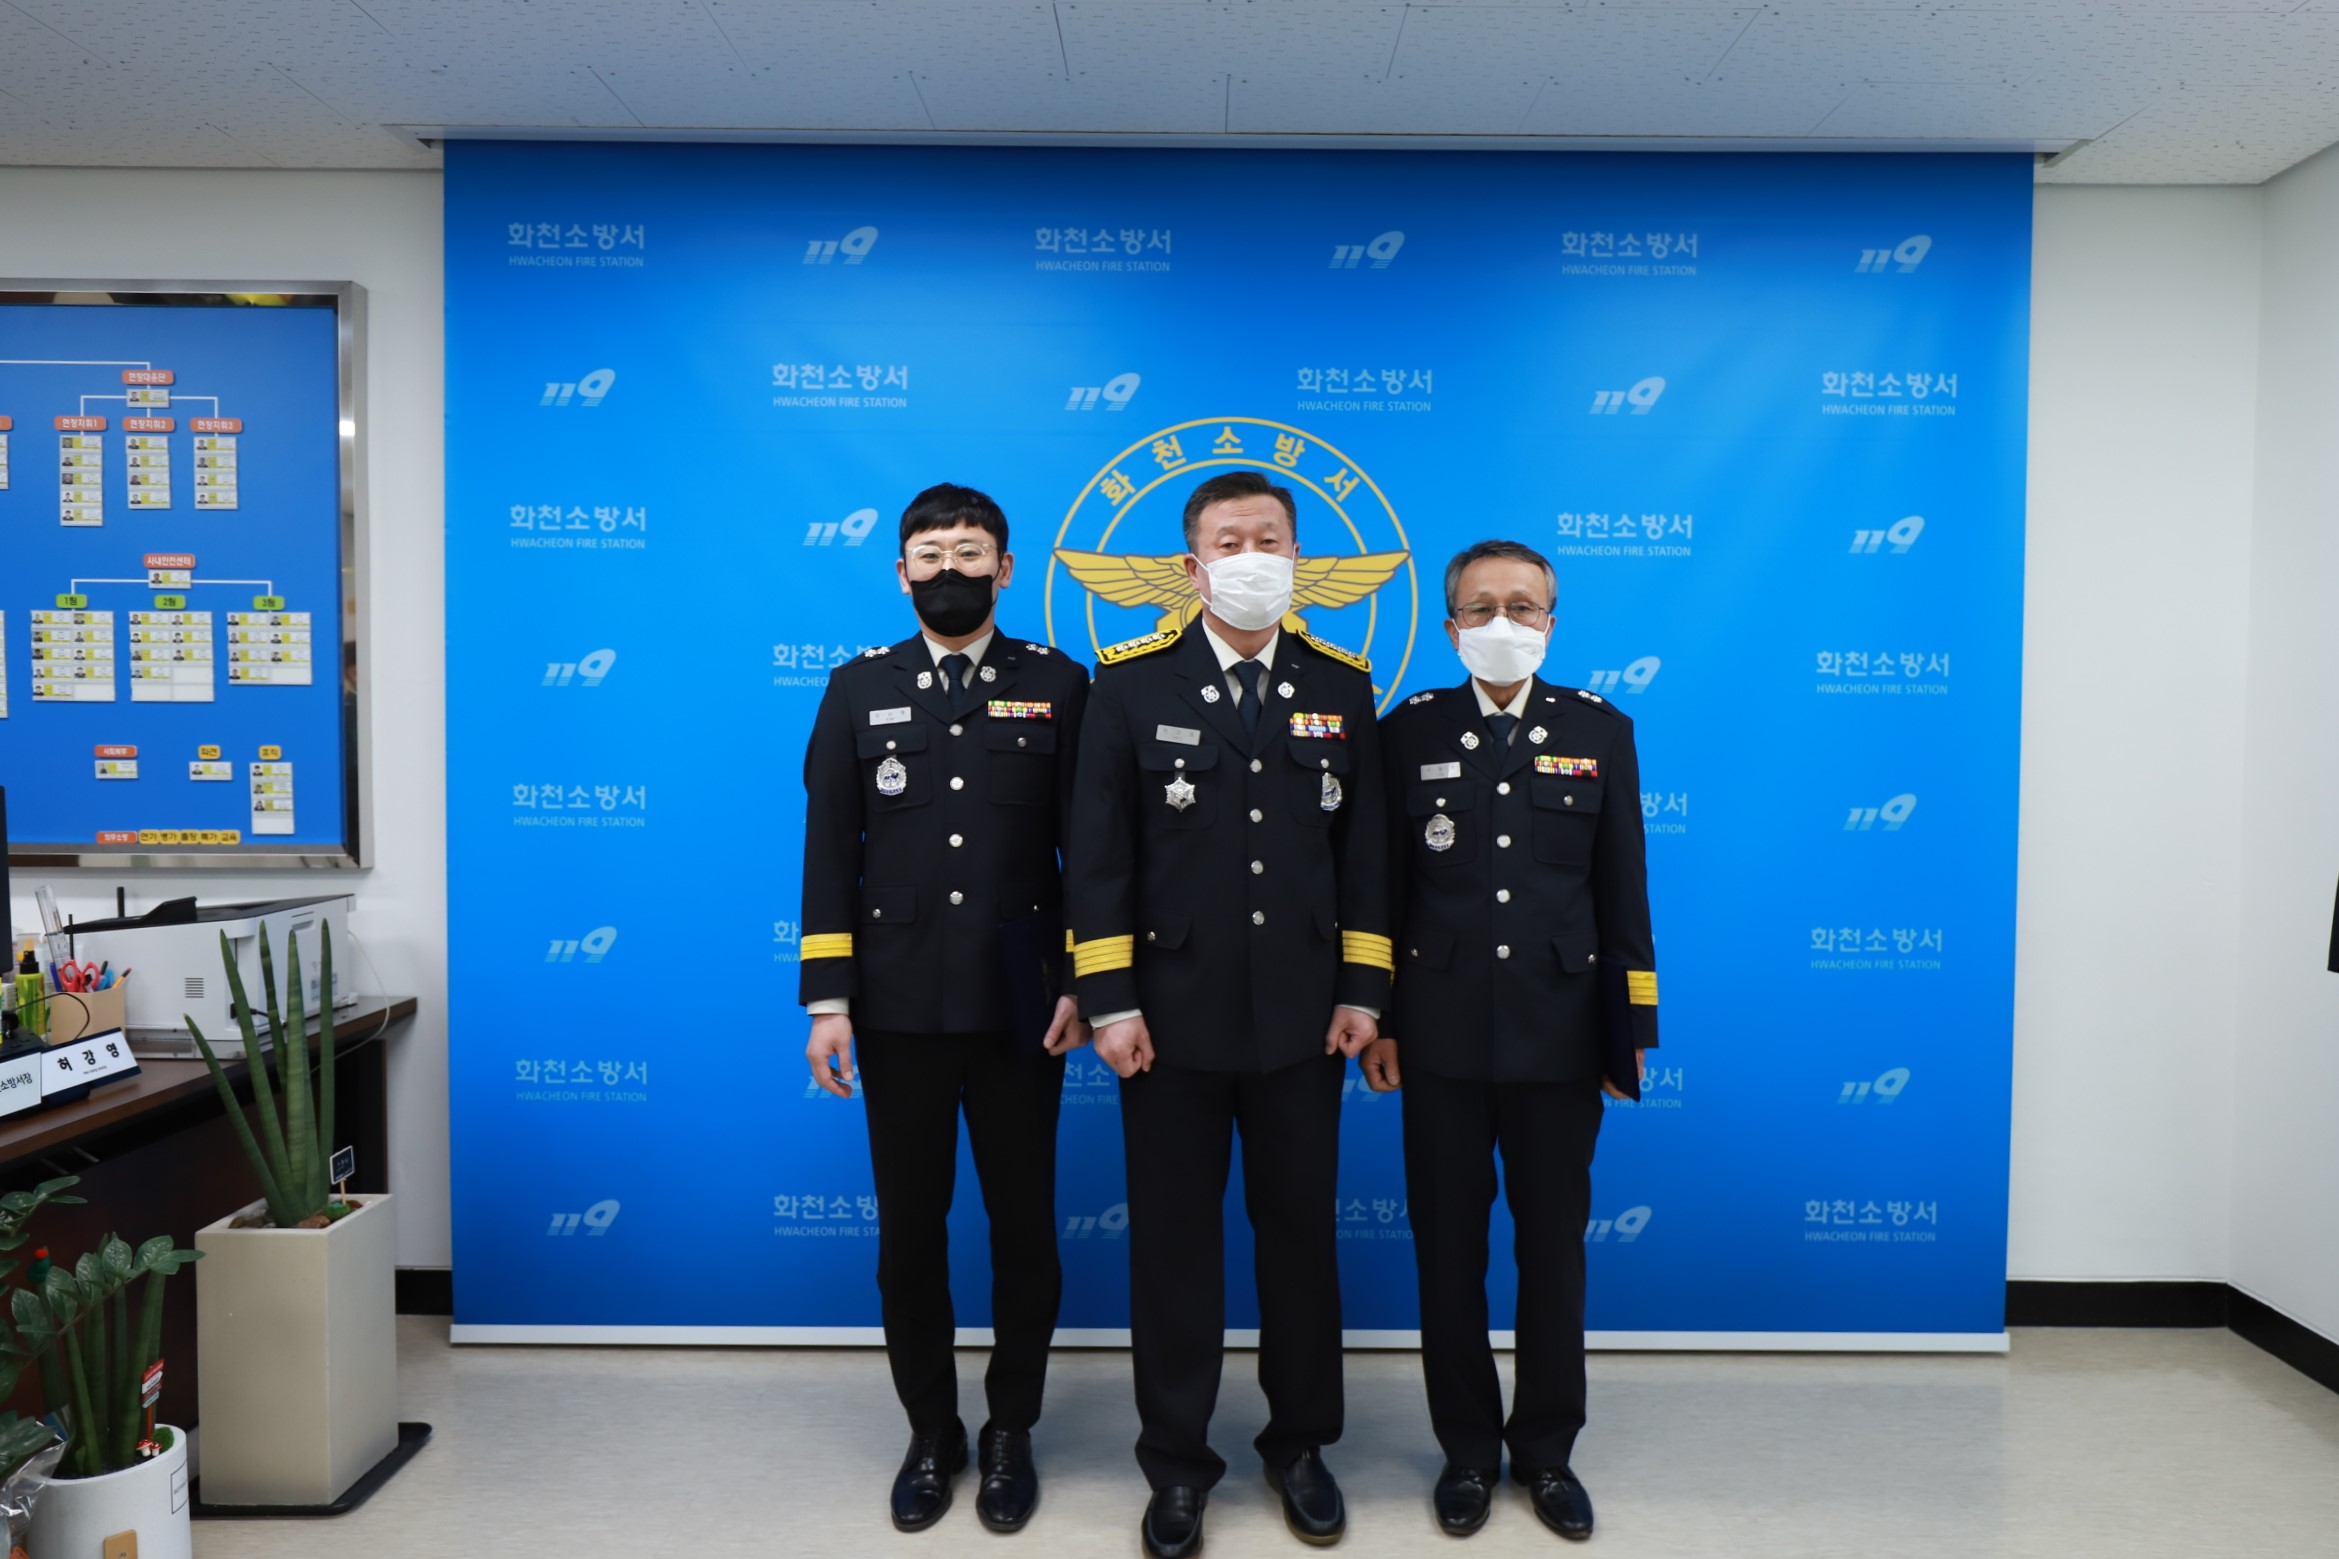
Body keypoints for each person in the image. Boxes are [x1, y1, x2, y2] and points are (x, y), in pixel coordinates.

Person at [1065, 470, 1393, 1558]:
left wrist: (1362, 987)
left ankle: (1299, 1445)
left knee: (1299, 1242)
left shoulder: (1341, 688)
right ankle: (1175, 1464)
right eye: (1228, 539)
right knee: (1173, 1251)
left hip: (1304, 1021)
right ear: (1191, 563)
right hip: (1167, 1023)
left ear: (1296, 557)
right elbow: (1099, 858)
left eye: (1270, 538)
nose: (1251, 555)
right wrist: (1110, 1001)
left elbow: (1366, 855)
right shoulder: (1128, 685)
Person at [798, 483, 1093, 1534]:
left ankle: (1011, 1427)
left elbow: (1089, 850)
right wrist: (828, 1000)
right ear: (901, 573)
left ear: (1005, 568)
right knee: (909, 1234)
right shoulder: (856, 687)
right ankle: (932, 1430)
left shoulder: (1059, 682)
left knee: (1024, 1230)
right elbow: (828, 853)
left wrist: (1083, 980)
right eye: (929, 554)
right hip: (895, 1006)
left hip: (1024, 1004)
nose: (949, 569)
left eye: (969, 552)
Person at [1362, 539, 1661, 1543]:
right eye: (1482, 606)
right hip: (1438, 1036)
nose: (1503, 621)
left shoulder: (1598, 729)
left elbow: (1622, 890)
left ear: (1550, 622)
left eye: (1522, 606)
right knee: (1447, 1256)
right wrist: (1382, 1017)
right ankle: (1464, 1451)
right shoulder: (1406, 730)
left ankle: (1544, 1450)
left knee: (1552, 1254)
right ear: (1450, 626)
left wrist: (1629, 1030)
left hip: (1561, 1036)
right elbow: (1381, 888)